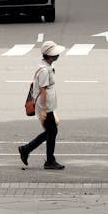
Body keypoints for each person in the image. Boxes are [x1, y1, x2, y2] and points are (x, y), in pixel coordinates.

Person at [19, 41, 66, 170]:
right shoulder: (44, 70)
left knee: (51, 131)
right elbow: (43, 90)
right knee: (52, 131)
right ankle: (47, 160)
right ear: (50, 56)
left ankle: (27, 150)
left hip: (47, 106)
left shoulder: (46, 66)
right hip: (44, 106)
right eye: (56, 54)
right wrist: (44, 110)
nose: (58, 55)